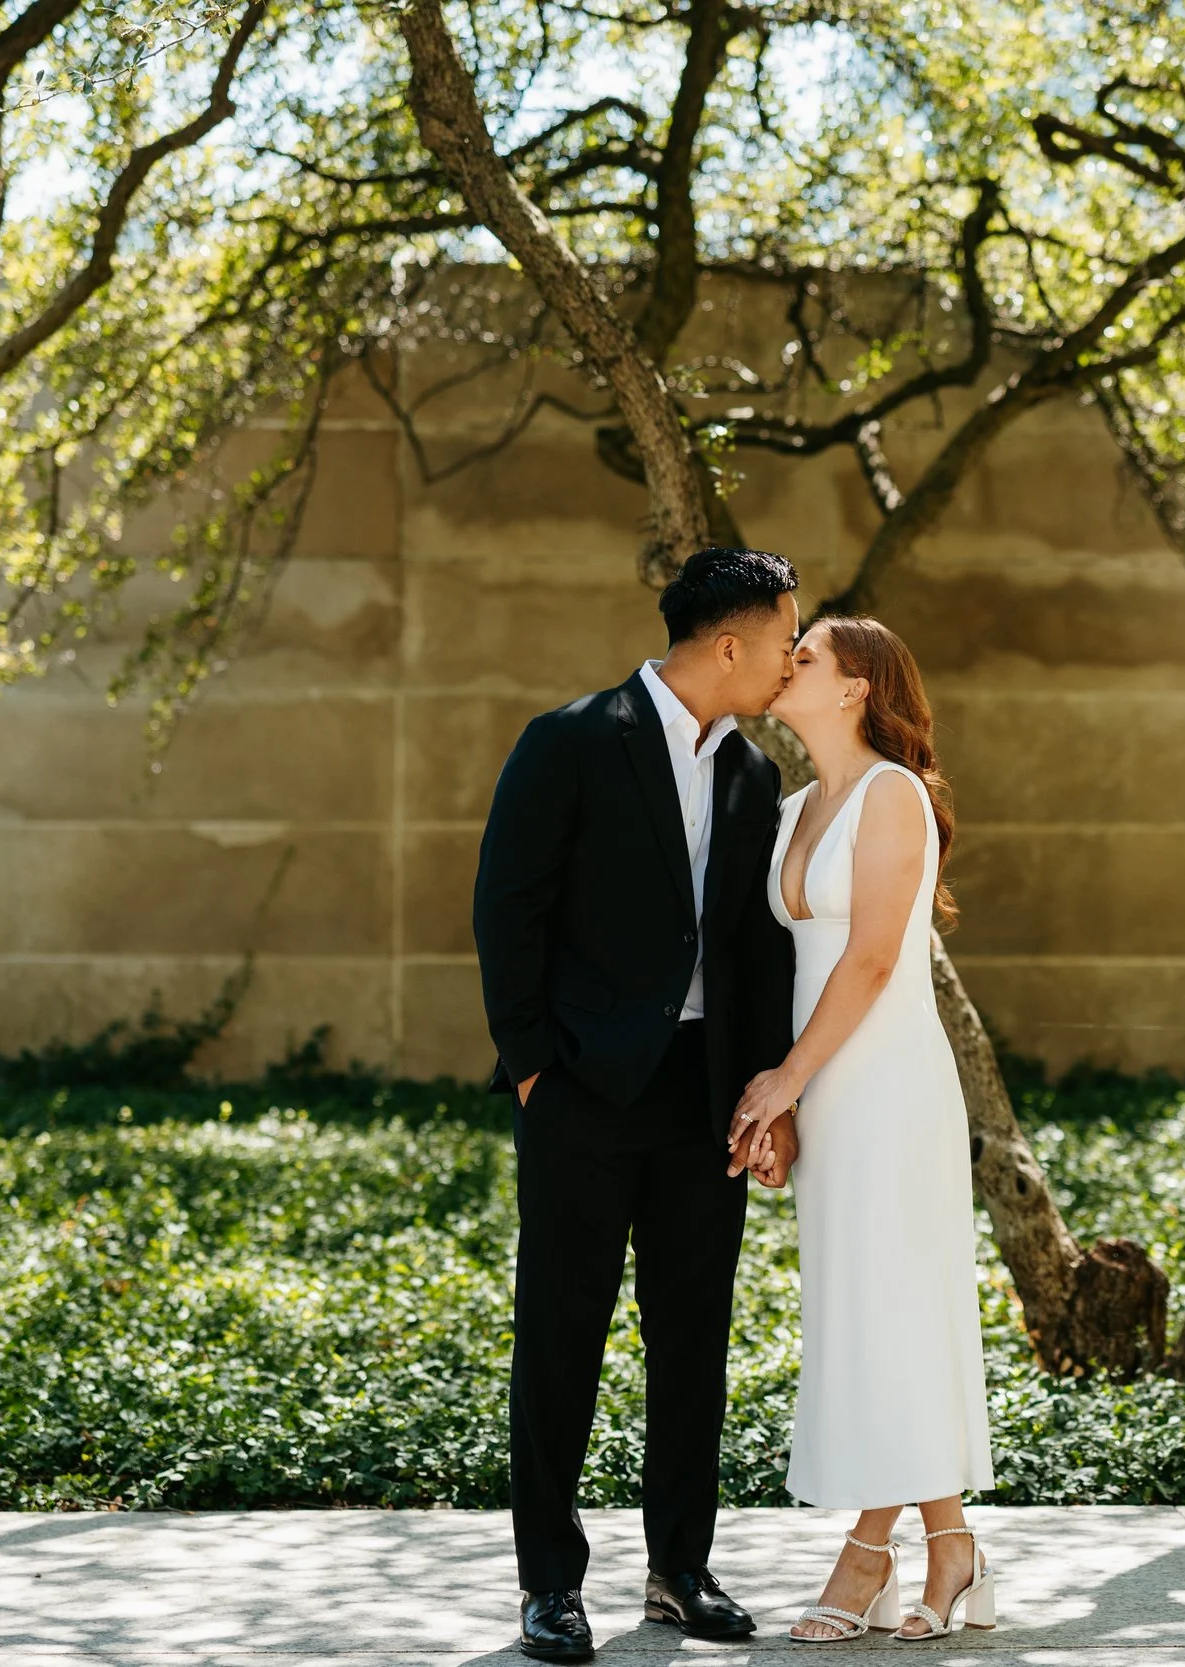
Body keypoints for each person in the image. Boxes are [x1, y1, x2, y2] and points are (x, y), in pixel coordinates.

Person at [472, 547, 804, 1664]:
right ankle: (548, 1585)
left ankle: (680, 1569)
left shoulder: (754, 774)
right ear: (728, 641)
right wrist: (531, 1069)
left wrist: (765, 1096)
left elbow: (755, 955)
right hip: (580, 1087)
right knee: (561, 1336)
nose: (790, 659)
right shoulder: (569, 739)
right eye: (782, 638)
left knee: (693, 1340)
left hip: (704, 1094)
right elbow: (505, 908)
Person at [728, 615, 997, 1643]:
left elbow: (876, 959)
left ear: (853, 688)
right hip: (824, 1086)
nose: (782, 666)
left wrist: (783, 1080)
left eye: (804, 658)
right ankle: (950, 1543)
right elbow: (788, 966)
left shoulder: (894, 794)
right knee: (866, 1310)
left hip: (885, 1080)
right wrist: (790, 1099)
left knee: (893, 1301)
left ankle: (868, 1552)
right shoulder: (797, 803)